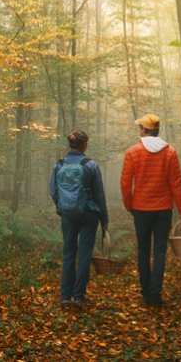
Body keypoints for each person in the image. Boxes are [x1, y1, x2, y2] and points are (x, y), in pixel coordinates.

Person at [120, 113, 181, 307]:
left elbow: (126, 185)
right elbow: (176, 185)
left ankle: (145, 293)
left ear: (144, 130)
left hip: (141, 209)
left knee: (143, 250)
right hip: (163, 211)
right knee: (159, 251)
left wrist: (129, 206)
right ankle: (155, 295)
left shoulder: (132, 152)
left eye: (140, 128)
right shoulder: (170, 152)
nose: (139, 131)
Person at [49, 129, 108, 307]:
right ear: (84, 145)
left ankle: (65, 297)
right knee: (84, 254)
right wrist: (104, 219)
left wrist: (62, 208)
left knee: (68, 253)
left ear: (70, 145)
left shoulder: (59, 165)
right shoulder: (90, 166)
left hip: (68, 214)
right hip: (89, 215)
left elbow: (53, 192)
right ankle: (79, 296)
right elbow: (99, 195)